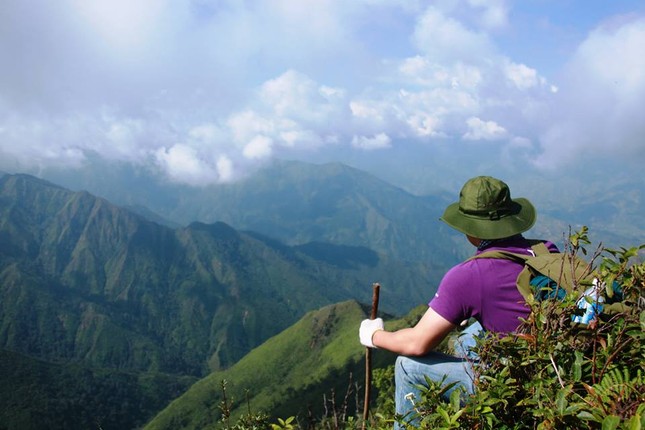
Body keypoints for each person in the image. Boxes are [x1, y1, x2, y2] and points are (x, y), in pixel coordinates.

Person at [359, 175, 558, 427]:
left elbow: (417, 343)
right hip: (552, 365)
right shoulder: (545, 249)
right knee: (467, 336)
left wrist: (374, 335)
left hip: (519, 383)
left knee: (407, 366)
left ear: (470, 229)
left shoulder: (470, 275)